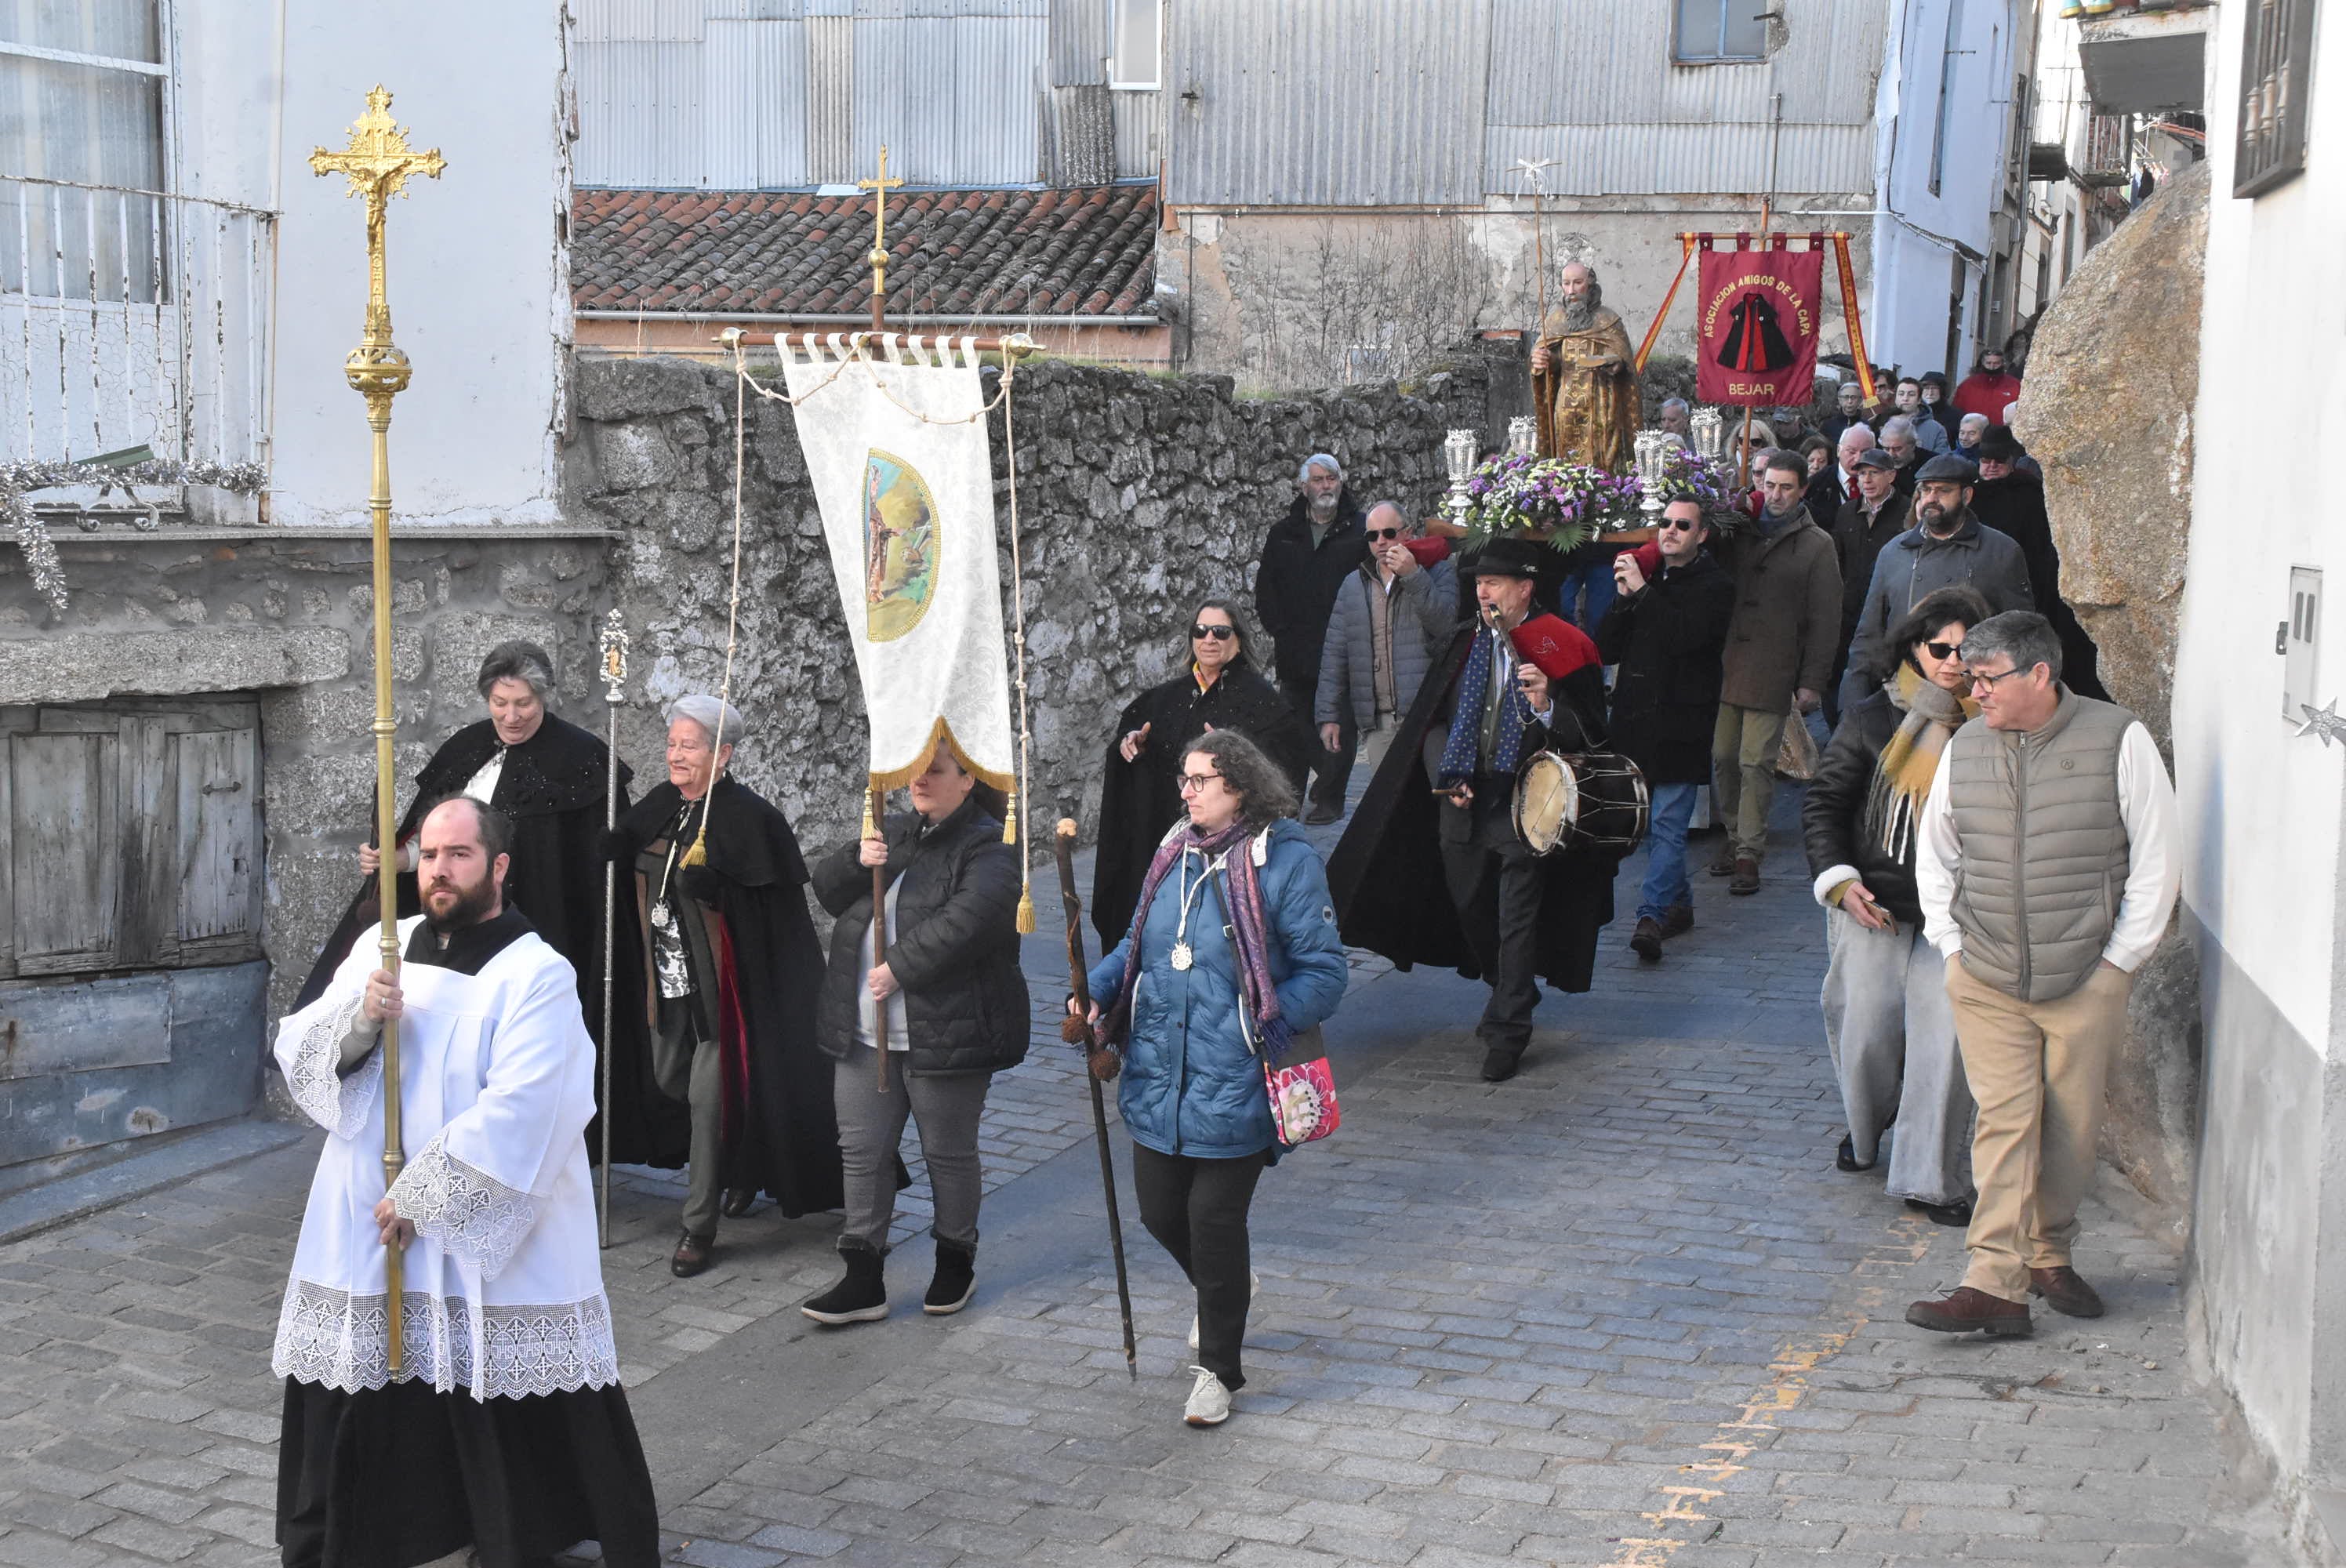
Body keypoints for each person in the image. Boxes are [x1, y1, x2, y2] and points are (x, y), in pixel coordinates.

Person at [273, 796, 659, 1568]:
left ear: (498, 866)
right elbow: (303, 1045)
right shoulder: (386, 945)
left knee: (493, 1372)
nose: (439, 871)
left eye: (459, 855)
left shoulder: (535, 972)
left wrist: (425, 1195)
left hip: (479, 1215)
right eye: (430, 854)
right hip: (364, 1209)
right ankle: (376, 1530)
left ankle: (518, 1531)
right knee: (375, 1365)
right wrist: (357, 1017)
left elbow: (534, 1102)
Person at [296, 641, 680, 1172]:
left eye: (522, 703)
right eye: (500, 702)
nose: (511, 715)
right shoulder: (467, 749)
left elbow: (594, 866)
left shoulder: (583, 758)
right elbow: (435, 847)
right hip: (458, 934)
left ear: (541, 699)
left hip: (546, 934)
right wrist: (396, 859)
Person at [1906, 612, 2179, 1336]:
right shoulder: (1965, 745)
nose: (1976, 694)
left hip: (2085, 975)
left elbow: (2157, 859)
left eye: (1989, 679)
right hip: (1986, 973)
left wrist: (2119, 964)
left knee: (2071, 1126)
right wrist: (1951, 948)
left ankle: (2048, 1253)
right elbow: (1937, 854)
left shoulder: (2118, 738)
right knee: (2004, 1120)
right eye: (1971, 679)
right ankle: (1991, 1280)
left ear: (2038, 675)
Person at [1077, 730, 1347, 1427]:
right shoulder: (1173, 852)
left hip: (1238, 1080)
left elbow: (1325, 972)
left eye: (1202, 780)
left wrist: (1260, 1019)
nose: (1186, 790)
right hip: (1160, 1075)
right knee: (1159, 1212)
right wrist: (1096, 995)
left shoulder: (1284, 862)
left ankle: (1218, 1373)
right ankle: (1225, 1288)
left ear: (1242, 788)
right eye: (1185, 778)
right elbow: (1136, 946)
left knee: (1213, 1219)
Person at [1327, 536, 1620, 1083]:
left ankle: (1510, 1026)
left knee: (1517, 915)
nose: (1481, 593)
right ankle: (1512, 982)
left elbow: (1594, 736)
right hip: (1464, 802)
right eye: (1478, 583)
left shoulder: (1562, 646)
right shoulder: (1465, 643)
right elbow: (1432, 722)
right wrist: (1448, 774)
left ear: (1524, 589)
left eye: (1493, 584)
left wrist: (1548, 705)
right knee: (1471, 906)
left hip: (1526, 802)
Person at [609, 695, 839, 1277]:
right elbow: (630, 862)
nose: (675, 755)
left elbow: (772, 918)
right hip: (666, 990)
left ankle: (698, 1225)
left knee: (709, 1104)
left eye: (689, 746)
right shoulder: (661, 804)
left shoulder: (750, 818)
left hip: (724, 1000)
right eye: (672, 744)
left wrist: (721, 890)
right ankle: (740, 1164)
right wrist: (612, 848)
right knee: (670, 1082)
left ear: (724, 753)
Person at [801, 742, 1029, 1326]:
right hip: (864, 1028)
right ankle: (862, 1276)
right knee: (862, 1152)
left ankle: (955, 1257)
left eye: (936, 771)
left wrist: (899, 966)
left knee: (946, 1153)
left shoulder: (990, 844)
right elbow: (828, 890)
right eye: (917, 770)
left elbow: (970, 920)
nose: (921, 780)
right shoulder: (895, 830)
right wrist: (858, 859)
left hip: (945, 1029)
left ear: (967, 781)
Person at [1802, 586, 1991, 1228]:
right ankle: (1868, 1127)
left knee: (1945, 1038)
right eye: (1940, 648)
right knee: (1868, 1029)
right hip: (1873, 905)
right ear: (1914, 647)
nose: (1954, 662)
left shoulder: (1995, 725)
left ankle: (1933, 1177)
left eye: (1967, 650)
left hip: (1955, 914)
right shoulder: (1871, 718)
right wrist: (1840, 880)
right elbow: (1825, 802)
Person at [1095, 599, 1314, 946]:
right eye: (1200, 631)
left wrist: (1236, 752)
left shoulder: (1261, 702)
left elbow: (1285, 764)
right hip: (1164, 836)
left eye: (1220, 631)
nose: (1208, 639)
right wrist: (1133, 744)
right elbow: (1137, 740)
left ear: (1238, 639)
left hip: (1224, 845)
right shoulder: (1166, 698)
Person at [1598, 498, 1734, 962]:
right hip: (1637, 719)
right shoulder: (1646, 578)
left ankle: (1650, 915)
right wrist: (1622, 599)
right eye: (1664, 522)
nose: (1670, 531)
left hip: (1683, 721)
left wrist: (1642, 595)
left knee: (1668, 826)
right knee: (1648, 826)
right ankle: (1680, 906)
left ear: (1701, 536)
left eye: (1682, 525)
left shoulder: (1716, 585)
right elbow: (1605, 647)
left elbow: (1683, 637)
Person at [1708, 450, 1840, 895]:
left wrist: (1812, 682)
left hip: (1775, 664)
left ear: (1803, 489)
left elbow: (1825, 619)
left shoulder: (1817, 544)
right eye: (1769, 485)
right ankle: (1732, 835)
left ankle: (1749, 852)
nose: (1776, 495)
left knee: (1755, 761)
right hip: (1728, 663)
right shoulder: (1740, 531)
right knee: (1724, 757)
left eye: (1786, 487)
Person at [1840, 453, 2036, 713]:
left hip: (1974, 700)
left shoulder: (2001, 552)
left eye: (1943, 490)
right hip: (1901, 696)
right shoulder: (1894, 552)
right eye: (1926, 490)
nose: (1931, 498)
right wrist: (1851, 706)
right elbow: (1869, 635)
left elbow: (2019, 636)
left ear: (1966, 496)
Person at [1316, 501, 1462, 809]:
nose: (1381, 542)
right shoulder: (1353, 585)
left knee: (1442, 807)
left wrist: (1413, 576)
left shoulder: (1438, 572)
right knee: (1391, 813)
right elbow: (1335, 654)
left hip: (1430, 718)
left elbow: (1445, 625)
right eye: (1372, 535)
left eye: (1389, 533)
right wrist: (1329, 716)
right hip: (1379, 723)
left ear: (1407, 533)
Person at [1255, 454, 1368, 822]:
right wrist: (1281, 631)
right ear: (1304, 487)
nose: (1325, 486)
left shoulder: (1361, 530)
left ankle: (1330, 798)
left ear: (1340, 481)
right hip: (1296, 651)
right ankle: (1290, 798)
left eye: (1331, 478)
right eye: (1317, 480)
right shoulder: (1284, 533)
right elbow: (1266, 588)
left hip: (1343, 649)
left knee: (1339, 727)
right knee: (1294, 727)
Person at [1970, 425, 2105, 700]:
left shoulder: (2030, 495)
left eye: (1999, 461)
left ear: (2011, 462)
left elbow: (2040, 549)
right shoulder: (1971, 496)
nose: (1992, 467)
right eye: (1986, 461)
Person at [1825, 448, 1912, 721]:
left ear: (1891, 476)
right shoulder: (1846, 512)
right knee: (1838, 675)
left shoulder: (1908, 512)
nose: (1867, 480)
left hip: (1889, 611)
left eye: (1873, 473)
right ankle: (1840, 730)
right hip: (1848, 610)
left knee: (1880, 675)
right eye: (1862, 474)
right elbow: (1836, 559)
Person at [1531, 261, 1640, 474]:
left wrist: (1614, 364)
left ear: (1590, 284)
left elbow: (1624, 362)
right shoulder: (1554, 322)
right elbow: (1549, 363)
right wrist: (1543, 361)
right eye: (1566, 284)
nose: (1572, 291)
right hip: (1565, 407)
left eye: (1578, 283)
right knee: (1565, 465)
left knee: (1604, 462)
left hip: (1601, 404)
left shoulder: (1609, 320)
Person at [1807, 422, 1874, 522]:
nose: (1858, 459)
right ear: (1839, 450)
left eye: (1865, 452)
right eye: (1851, 452)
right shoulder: (1816, 484)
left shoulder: (1885, 483)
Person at [1951, 348, 2023, 424]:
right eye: (1988, 363)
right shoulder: (1967, 386)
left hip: (2003, 433)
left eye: (1996, 363)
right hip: (1974, 432)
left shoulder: (2014, 385)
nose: (1992, 367)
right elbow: (1956, 411)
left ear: (2002, 363)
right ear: (1983, 363)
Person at [1890, 378, 1949, 453]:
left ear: (1919, 400)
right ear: (1895, 398)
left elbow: (1942, 460)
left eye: (1911, 394)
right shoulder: (1884, 422)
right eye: (1901, 394)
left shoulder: (1936, 429)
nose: (1905, 398)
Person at [1820, 379, 1869, 445]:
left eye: (1853, 397)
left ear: (1860, 400)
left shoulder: (1866, 426)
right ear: (1839, 400)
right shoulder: (1828, 425)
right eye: (1846, 397)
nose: (1850, 401)